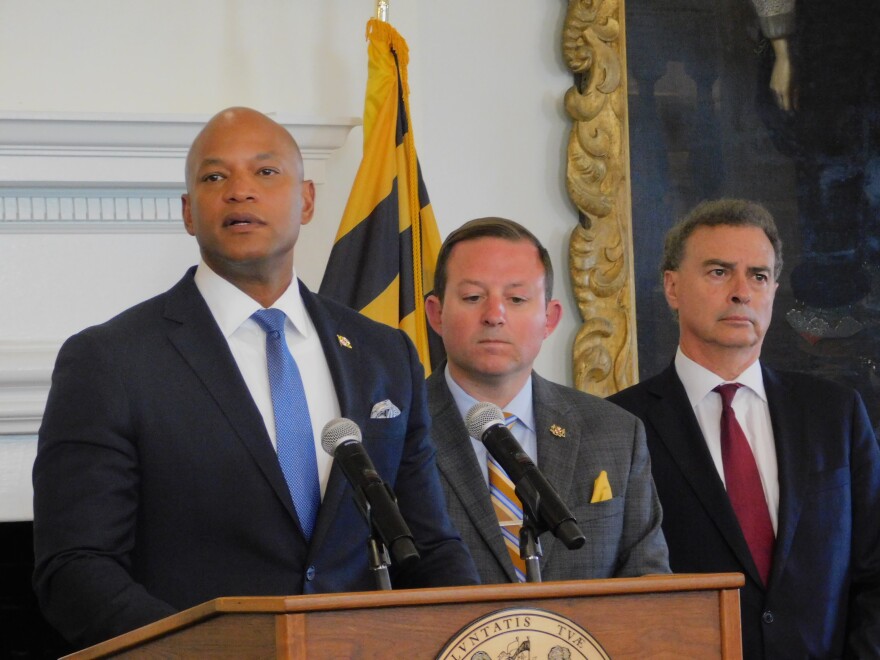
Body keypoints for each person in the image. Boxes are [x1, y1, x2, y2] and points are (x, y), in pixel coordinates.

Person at [32, 107, 479, 650]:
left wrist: (474, 638)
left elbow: (429, 546)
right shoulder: (111, 360)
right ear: (188, 213)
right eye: (214, 177)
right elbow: (77, 569)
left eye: (266, 172)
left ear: (307, 200)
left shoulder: (384, 354)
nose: (240, 191)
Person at [609, 198, 880, 658]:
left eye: (758, 276)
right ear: (672, 287)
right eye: (719, 272)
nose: (742, 292)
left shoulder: (835, 413)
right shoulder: (619, 424)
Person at [424, 217, 670, 583]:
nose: (494, 316)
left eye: (516, 299)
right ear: (436, 313)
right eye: (473, 297)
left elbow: (649, 584)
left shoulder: (616, 433)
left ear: (549, 319)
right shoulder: (393, 435)